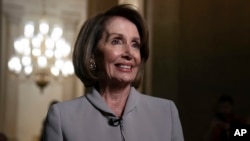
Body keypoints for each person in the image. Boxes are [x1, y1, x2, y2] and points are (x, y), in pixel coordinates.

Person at [43, 4, 184, 141]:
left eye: (135, 44)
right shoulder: (62, 117)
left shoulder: (166, 112)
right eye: (116, 41)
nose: (129, 53)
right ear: (92, 54)